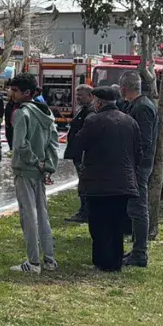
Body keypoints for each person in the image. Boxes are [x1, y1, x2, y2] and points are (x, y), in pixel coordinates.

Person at [72, 86, 140, 272]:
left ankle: (101, 262)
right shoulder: (130, 121)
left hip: (99, 182)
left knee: (99, 223)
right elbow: (138, 152)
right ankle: (115, 262)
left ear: (99, 102)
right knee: (117, 223)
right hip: (124, 182)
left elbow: (78, 144)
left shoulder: (93, 120)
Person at [7, 73, 59, 274]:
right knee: (42, 215)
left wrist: (34, 162)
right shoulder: (46, 112)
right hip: (40, 170)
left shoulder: (22, 113)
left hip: (26, 170)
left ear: (26, 92)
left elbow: (19, 144)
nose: (12, 94)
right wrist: (47, 167)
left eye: (15, 90)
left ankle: (33, 262)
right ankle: (49, 259)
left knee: (28, 216)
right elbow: (53, 144)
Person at [119, 71, 157, 267]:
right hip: (136, 165)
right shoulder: (137, 105)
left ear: (124, 88)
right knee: (134, 208)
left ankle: (140, 252)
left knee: (138, 208)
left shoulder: (142, 108)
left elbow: (145, 140)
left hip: (139, 166)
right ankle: (136, 249)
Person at [64, 84, 94, 224]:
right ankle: (85, 211)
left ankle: (85, 212)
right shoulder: (82, 110)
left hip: (83, 155)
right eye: (76, 95)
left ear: (90, 96)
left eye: (81, 95)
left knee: (84, 184)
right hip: (77, 154)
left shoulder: (90, 112)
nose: (77, 98)